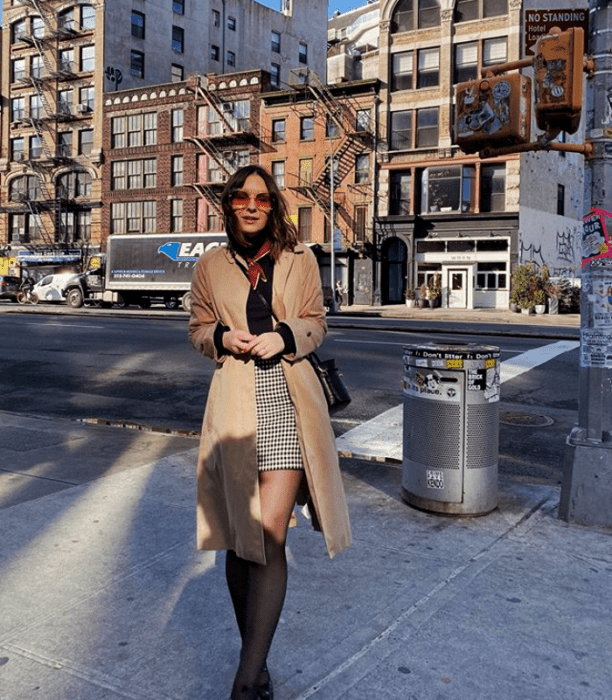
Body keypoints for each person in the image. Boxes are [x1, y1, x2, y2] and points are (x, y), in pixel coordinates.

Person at [189, 164, 351, 700]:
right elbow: (195, 329)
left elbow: (316, 320)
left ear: (273, 205)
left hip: (286, 401)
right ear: (230, 204)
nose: (253, 205)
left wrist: (284, 336)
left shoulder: (299, 259)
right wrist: (220, 336)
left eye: (262, 197)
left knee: (270, 535)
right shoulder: (210, 266)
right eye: (242, 197)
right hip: (236, 404)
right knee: (240, 542)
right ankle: (255, 665)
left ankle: (243, 682)